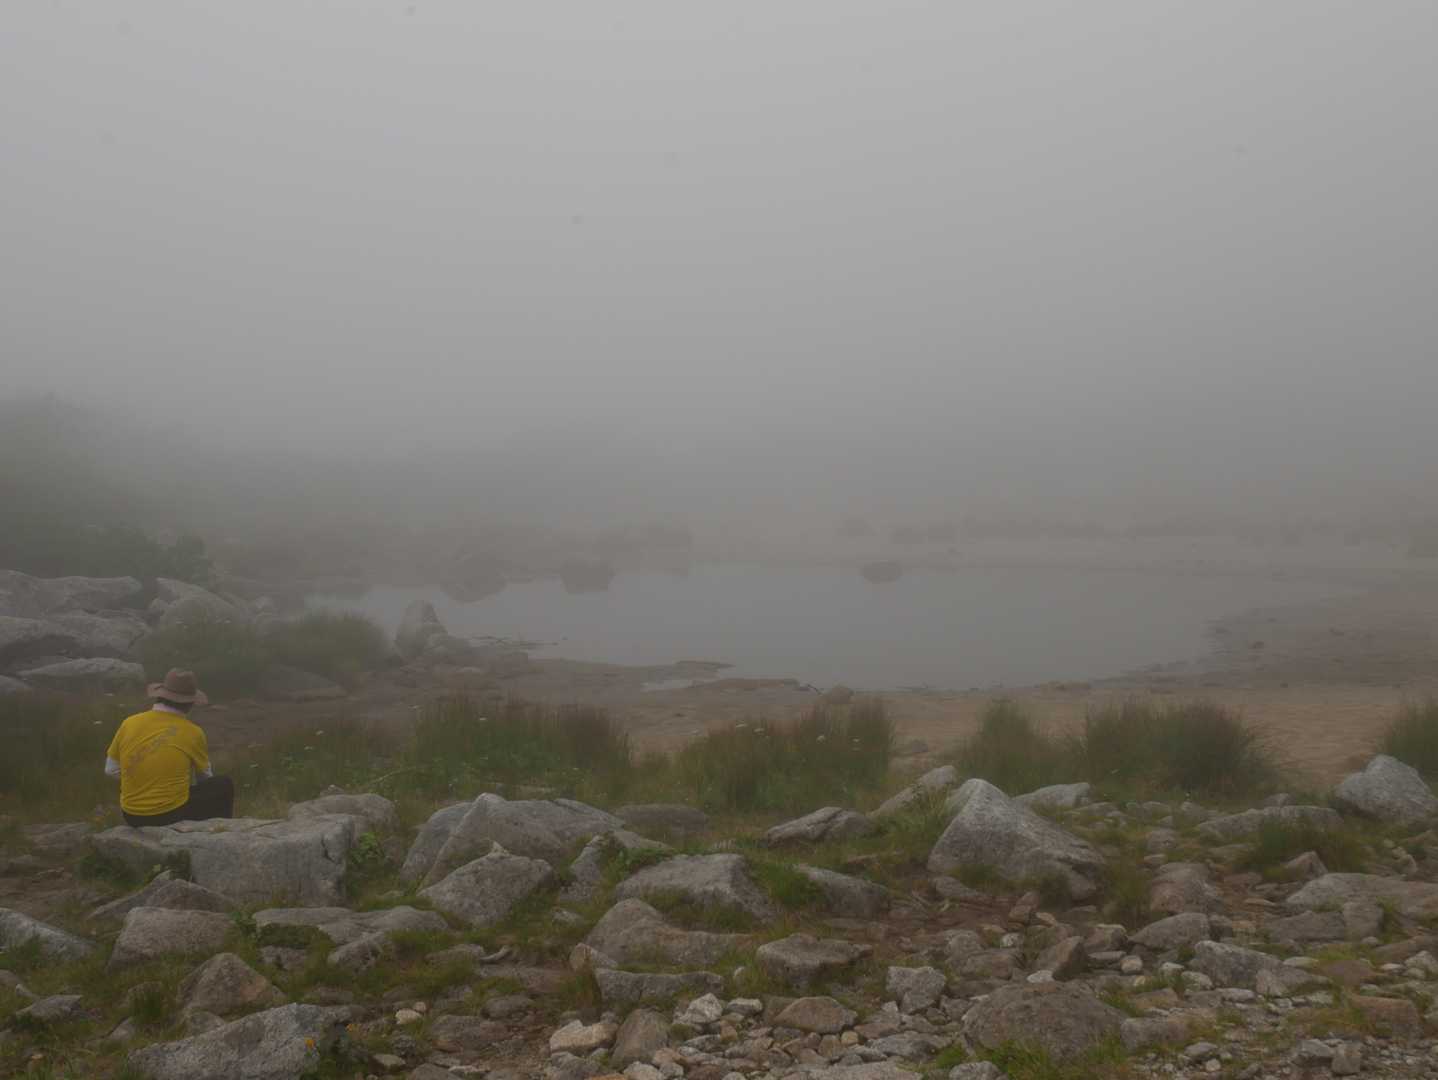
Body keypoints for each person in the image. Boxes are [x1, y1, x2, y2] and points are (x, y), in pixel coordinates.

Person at [105, 668, 234, 827]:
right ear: (190, 703)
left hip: (132, 816)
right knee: (223, 784)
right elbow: (204, 778)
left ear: (160, 695)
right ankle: (219, 831)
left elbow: (110, 770)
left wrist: (142, 780)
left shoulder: (129, 723)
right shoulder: (193, 732)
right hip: (170, 815)